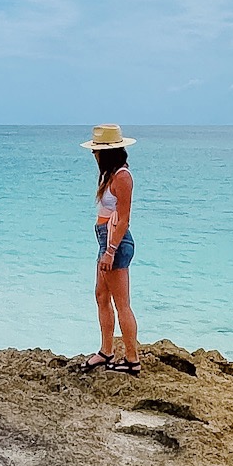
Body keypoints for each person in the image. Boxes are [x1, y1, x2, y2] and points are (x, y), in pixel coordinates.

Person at [77, 122, 140, 374]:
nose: (94, 154)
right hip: (106, 240)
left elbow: (123, 219)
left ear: (108, 152)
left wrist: (110, 250)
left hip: (116, 242)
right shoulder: (110, 175)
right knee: (101, 296)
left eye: (97, 150)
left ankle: (132, 360)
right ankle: (106, 351)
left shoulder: (123, 177)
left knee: (121, 302)